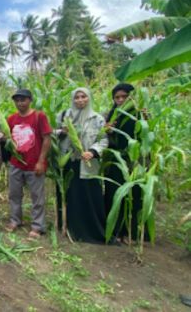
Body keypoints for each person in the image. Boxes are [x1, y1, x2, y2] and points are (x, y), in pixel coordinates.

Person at [56, 87, 108, 243]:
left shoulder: (97, 119)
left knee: (89, 197)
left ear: (89, 98)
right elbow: (51, 133)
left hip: (87, 164)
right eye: (76, 97)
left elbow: (104, 140)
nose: (80, 100)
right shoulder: (64, 115)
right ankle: (69, 227)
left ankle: (89, 231)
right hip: (68, 163)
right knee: (70, 196)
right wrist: (61, 132)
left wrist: (92, 151)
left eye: (83, 97)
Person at [103, 83, 148, 243]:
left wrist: (146, 122)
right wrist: (106, 130)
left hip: (134, 161)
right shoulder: (112, 115)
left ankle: (131, 233)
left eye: (124, 96)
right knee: (115, 195)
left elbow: (147, 139)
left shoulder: (139, 114)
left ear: (131, 97)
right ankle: (114, 231)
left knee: (134, 196)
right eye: (117, 97)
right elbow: (104, 140)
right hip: (116, 160)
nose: (121, 100)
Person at [6, 89, 52, 238]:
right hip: (16, 164)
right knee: (14, 194)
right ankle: (15, 220)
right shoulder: (11, 119)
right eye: (17, 100)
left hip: (34, 164)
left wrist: (41, 161)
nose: (20, 103)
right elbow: (7, 138)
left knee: (37, 196)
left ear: (30, 100)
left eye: (23, 100)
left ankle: (37, 226)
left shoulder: (39, 116)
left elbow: (47, 139)